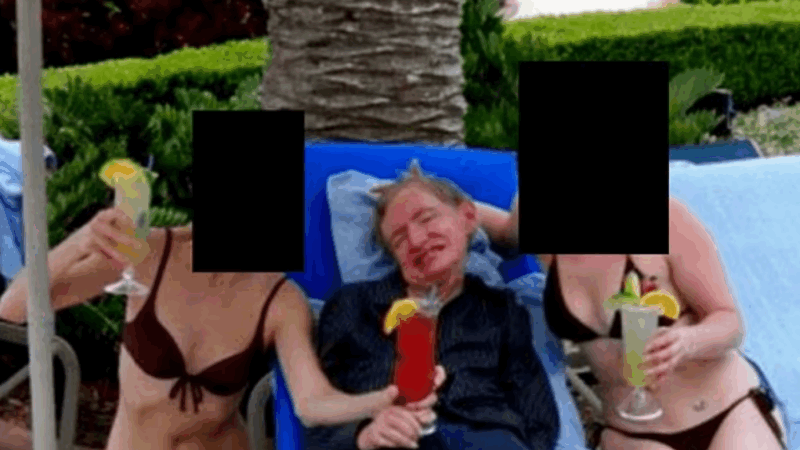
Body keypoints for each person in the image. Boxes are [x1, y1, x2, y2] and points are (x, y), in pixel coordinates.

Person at [0, 209, 427, 450]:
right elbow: (15, 307)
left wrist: (377, 402)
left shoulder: (279, 297)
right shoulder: (150, 252)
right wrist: (81, 241)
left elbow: (310, 401)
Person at [483, 198, 789, 450]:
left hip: (724, 414)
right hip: (633, 433)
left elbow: (729, 321)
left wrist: (689, 342)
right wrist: (452, 200)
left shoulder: (669, 219)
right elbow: (504, 231)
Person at [304, 162, 558, 450]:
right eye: (399, 239)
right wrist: (361, 436)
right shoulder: (354, 305)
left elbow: (537, 411)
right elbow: (321, 410)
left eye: (426, 219)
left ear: (468, 217)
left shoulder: (502, 309)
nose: (415, 240)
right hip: (395, 440)